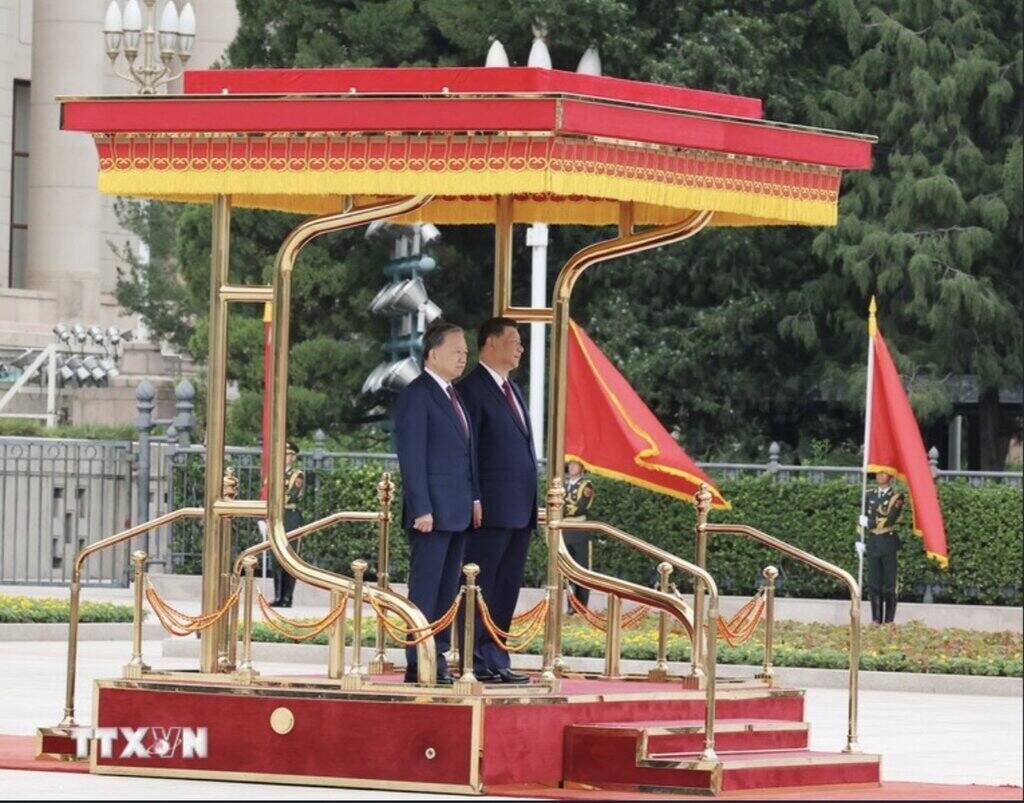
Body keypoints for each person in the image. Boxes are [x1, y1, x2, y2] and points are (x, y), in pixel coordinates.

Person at [392, 321, 479, 684]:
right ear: (433, 353)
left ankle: (438, 654)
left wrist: (475, 496)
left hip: (457, 509)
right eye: (456, 351)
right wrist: (422, 507)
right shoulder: (418, 394)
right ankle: (420, 658)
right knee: (426, 588)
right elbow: (412, 457)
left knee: (446, 589)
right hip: (432, 513)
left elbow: (466, 454)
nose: (463, 358)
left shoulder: (453, 395)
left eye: (465, 352)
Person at [457, 317, 535, 684]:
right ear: (489, 343)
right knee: (480, 584)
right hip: (488, 509)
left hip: (518, 510)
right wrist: (473, 496)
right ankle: (474, 658)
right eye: (513, 340)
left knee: (506, 587)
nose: (520, 348)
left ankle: (496, 657)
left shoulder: (512, 388)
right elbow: (466, 452)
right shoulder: (471, 390)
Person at [858, 471, 905, 625]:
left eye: (883, 473)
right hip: (872, 542)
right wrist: (859, 539)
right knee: (874, 583)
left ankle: (889, 620)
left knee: (889, 585)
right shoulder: (869, 494)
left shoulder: (896, 497)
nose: (879, 476)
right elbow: (861, 519)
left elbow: (890, 518)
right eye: (878, 473)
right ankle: (876, 619)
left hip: (887, 542)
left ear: (890, 477)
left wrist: (870, 523)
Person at [270, 441, 305, 608]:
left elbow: (292, 495)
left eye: (287, 455)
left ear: (293, 457)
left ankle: (287, 598)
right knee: (276, 558)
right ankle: (277, 596)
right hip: (275, 517)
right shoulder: (273, 474)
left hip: (290, 517)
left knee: (290, 557)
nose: (284, 458)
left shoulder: (297, 475)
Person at [562, 459, 595, 614]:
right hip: (564, 530)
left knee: (581, 570)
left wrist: (562, 507)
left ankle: (581, 607)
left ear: (582, 467)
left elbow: (581, 507)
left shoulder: (586, 485)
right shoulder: (562, 484)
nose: (572, 467)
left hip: (579, 531)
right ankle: (570, 605)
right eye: (570, 464)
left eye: (575, 464)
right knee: (567, 571)